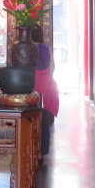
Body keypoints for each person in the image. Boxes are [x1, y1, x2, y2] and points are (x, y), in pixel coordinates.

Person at [31, 23, 60, 156]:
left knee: (32, 117)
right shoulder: (46, 49)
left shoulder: (27, 48)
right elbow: (52, 67)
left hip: (32, 84)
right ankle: (44, 150)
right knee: (45, 118)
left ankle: (32, 147)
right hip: (48, 85)